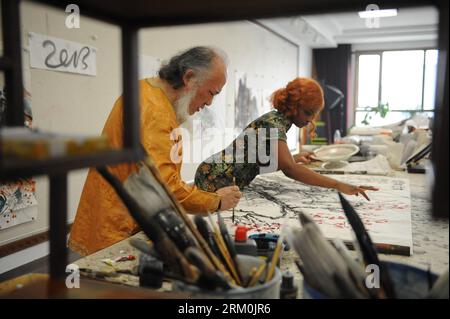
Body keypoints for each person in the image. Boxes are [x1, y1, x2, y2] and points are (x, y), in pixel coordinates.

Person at [69, 47, 241, 256]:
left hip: (118, 209)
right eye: (211, 93)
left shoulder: (146, 91)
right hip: (119, 224)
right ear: (189, 78)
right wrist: (217, 201)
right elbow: (164, 186)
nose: (209, 103)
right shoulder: (155, 111)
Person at [195, 77, 378, 199]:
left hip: (222, 176)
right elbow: (290, 170)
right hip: (214, 177)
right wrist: (339, 185)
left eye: (313, 115)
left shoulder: (279, 121)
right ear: (294, 107)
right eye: (308, 113)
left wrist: (293, 158)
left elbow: (255, 162)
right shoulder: (274, 123)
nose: (309, 120)